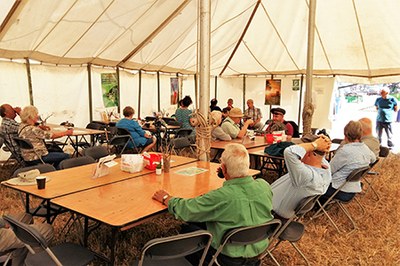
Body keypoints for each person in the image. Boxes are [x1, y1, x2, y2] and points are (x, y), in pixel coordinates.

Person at [152, 144, 274, 265]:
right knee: (201, 220)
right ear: (248, 165)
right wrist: (226, 175)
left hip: (226, 259)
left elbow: (187, 210)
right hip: (258, 251)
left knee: (187, 229)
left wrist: (166, 198)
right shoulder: (264, 186)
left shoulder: (221, 196)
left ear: (224, 168)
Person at [271, 134, 332, 219]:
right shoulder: (325, 169)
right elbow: (320, 155)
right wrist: (325, 142)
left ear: (308, 153)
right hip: (272, 207)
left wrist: (315, 145)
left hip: (270, 213)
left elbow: (289, 152)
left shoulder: (307, 176)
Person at [319, 121, 376, 203]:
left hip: (338, 190)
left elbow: (329, 171)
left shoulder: (345, 151)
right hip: (353, 189)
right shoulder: (365, 148)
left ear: (345, 134)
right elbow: (373, 159)